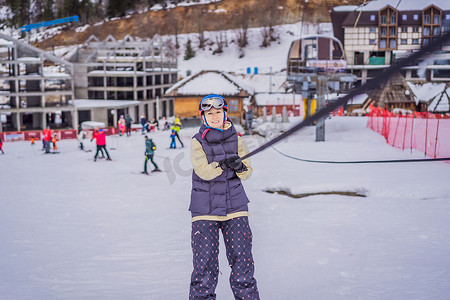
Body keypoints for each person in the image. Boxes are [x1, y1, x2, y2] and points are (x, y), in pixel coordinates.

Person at [189, 94, 259, 299]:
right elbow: (203, 171)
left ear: (225, 113)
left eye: (218, 112)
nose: (214, 117)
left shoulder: (238, 140)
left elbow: (247, 173)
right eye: (209, 113)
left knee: (243, 261)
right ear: (203, 116)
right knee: (205, 264)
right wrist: (222, 165)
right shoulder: (197, 141)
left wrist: (240, 166)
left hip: (235, 206)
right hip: (204, 211)